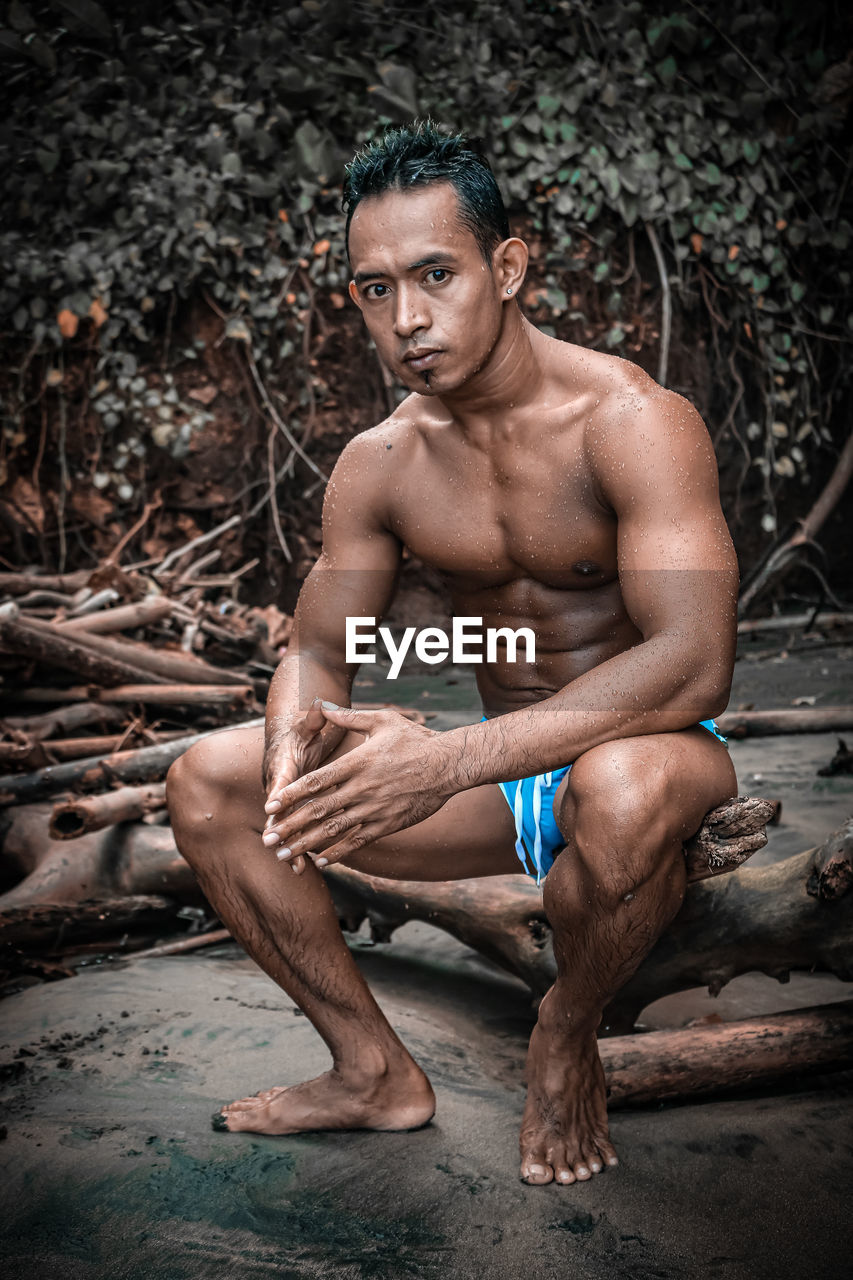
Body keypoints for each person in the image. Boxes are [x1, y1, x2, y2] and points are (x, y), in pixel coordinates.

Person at [166, 121, 738, 1187]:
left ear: (507, 266)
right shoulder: (380, 462)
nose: (408, 318)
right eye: (374, 289)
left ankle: (566, 1026)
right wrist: (296, 742)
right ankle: (372, 1070)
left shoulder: (629, 421)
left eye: (435, 274)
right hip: (504, 779)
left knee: (613, 792)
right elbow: (318, 649)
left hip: (651, 757)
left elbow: (696, 660)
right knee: (209, 781)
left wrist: (439, 759)